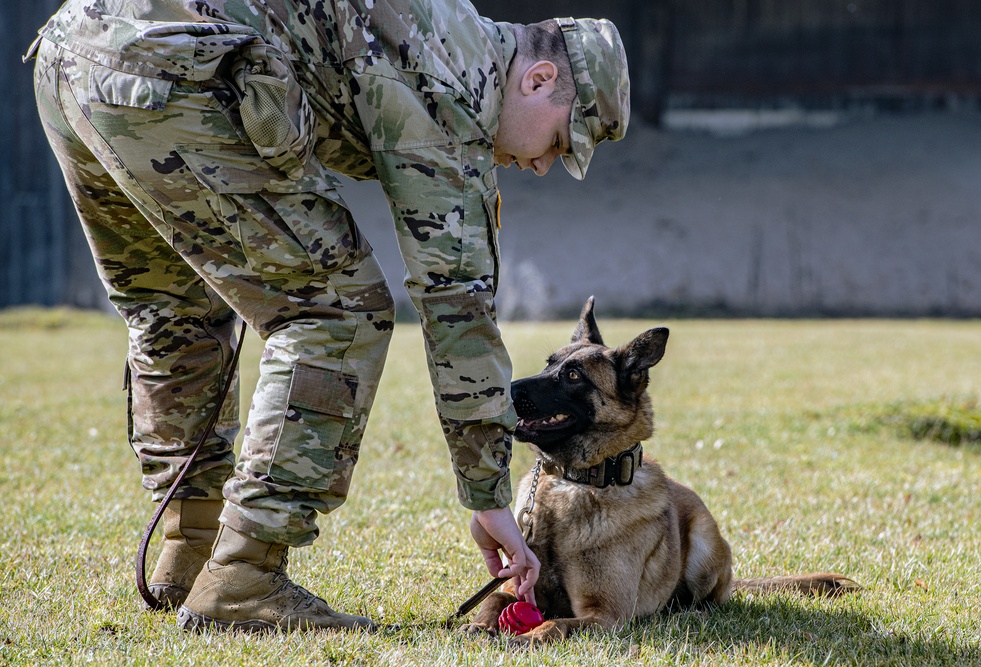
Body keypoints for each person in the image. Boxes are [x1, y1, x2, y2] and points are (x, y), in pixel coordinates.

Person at [28, 0, 629, 632]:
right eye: (559, 141)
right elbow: (457, 306)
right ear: (537, 79)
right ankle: (244, 577)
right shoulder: (458, 77)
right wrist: (489, 497)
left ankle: (194, 546)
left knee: (176, 307)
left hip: (72, 50)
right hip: (175, 71)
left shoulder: (437, 26)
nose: (539, 166)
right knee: (338, 309)